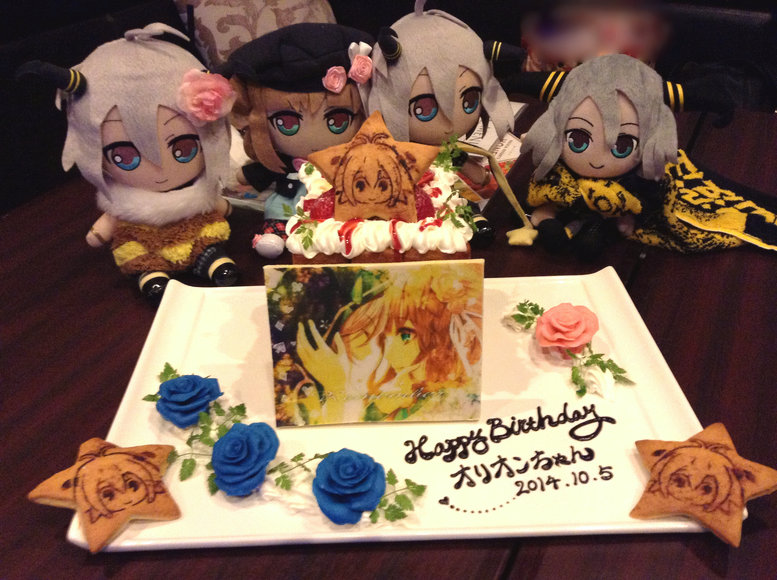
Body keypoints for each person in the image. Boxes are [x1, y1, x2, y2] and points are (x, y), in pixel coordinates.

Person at [18, 23, 238, 301]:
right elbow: (100, 232)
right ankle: (153, 277)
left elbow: (221, 206)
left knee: (210, 248)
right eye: (124, 158)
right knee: (140, 257)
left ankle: (215, 265)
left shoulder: (202, 196)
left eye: (183, 148)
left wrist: (225, 205)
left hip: (197, 234)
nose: (160, 171)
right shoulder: (122, 206)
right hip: (145, 243)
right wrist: (100, 233)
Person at [363, 0, 517, 246]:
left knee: (465, 206)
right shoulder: (397, 157)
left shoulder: (451, 152)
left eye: (469, 101)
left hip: (455, 198)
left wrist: (477, 174)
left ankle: (475, 221)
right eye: (424, 109)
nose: (449, 123)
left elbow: (481, 180)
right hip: (414, 212)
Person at [224, 22, 374, 258]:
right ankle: (276, 235)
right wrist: (246, 175)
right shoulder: (283, 163)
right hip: (288, 207)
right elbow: (250, 176)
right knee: (278, 214)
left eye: (338, 121)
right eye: (287, 123)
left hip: (340, 212)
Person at [295, 265, 483, 424]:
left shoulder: (445, 400)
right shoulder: (387, 388)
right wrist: (336, 387)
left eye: (405, 336)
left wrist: (337, 388)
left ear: (439, 341)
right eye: (383, 336)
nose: (389, 353)